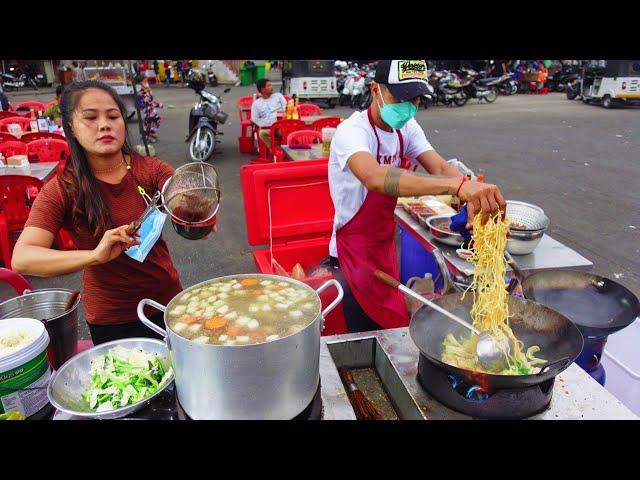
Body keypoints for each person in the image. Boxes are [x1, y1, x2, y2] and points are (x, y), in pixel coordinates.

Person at [322, 60, 506, 333]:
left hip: (384, 250)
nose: (410, 105)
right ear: (375, 90)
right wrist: (455, 188)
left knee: (393, 329)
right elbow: (374, 177)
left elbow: (441, 168)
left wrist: (472, 191)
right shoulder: (351, 132)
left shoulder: (406, 128)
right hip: (351, 258)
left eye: (416, 98)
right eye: (401, 96)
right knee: (364, 337)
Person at [11, 80, 195, 345]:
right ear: (71, 128)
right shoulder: (62, 189)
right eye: (90, 117)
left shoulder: (150, 170)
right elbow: (23, 258)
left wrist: (195, 213)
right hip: (112, 319)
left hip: (169, 303)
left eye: (113, 116)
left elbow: (184, 199)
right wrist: (95, 256)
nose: (104, 124)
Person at [250, 78, 287, 149]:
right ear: (263, 89)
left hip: (282, 125)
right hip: (269, 128)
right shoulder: (256, 104)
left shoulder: (278, 96)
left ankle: (290, 150)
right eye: (269, 85)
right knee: (262, 133)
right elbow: (254, 119)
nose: (272, 87)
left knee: (293, 130)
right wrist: (266, 124)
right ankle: (276, 150)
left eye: (271, 85)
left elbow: (287, 109)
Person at [138, 78, 163, 143]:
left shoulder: (147, 90)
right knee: (153, 121)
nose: (147, 82)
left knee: (149, 123)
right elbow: (148, 102)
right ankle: (149, 136)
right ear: (141, 82)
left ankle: (146, 136)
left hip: (150, 110)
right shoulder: (143, 91)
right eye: (145, 81)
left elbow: (150, 101)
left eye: (146, 80)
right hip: (148, 111)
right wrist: (158, 105)